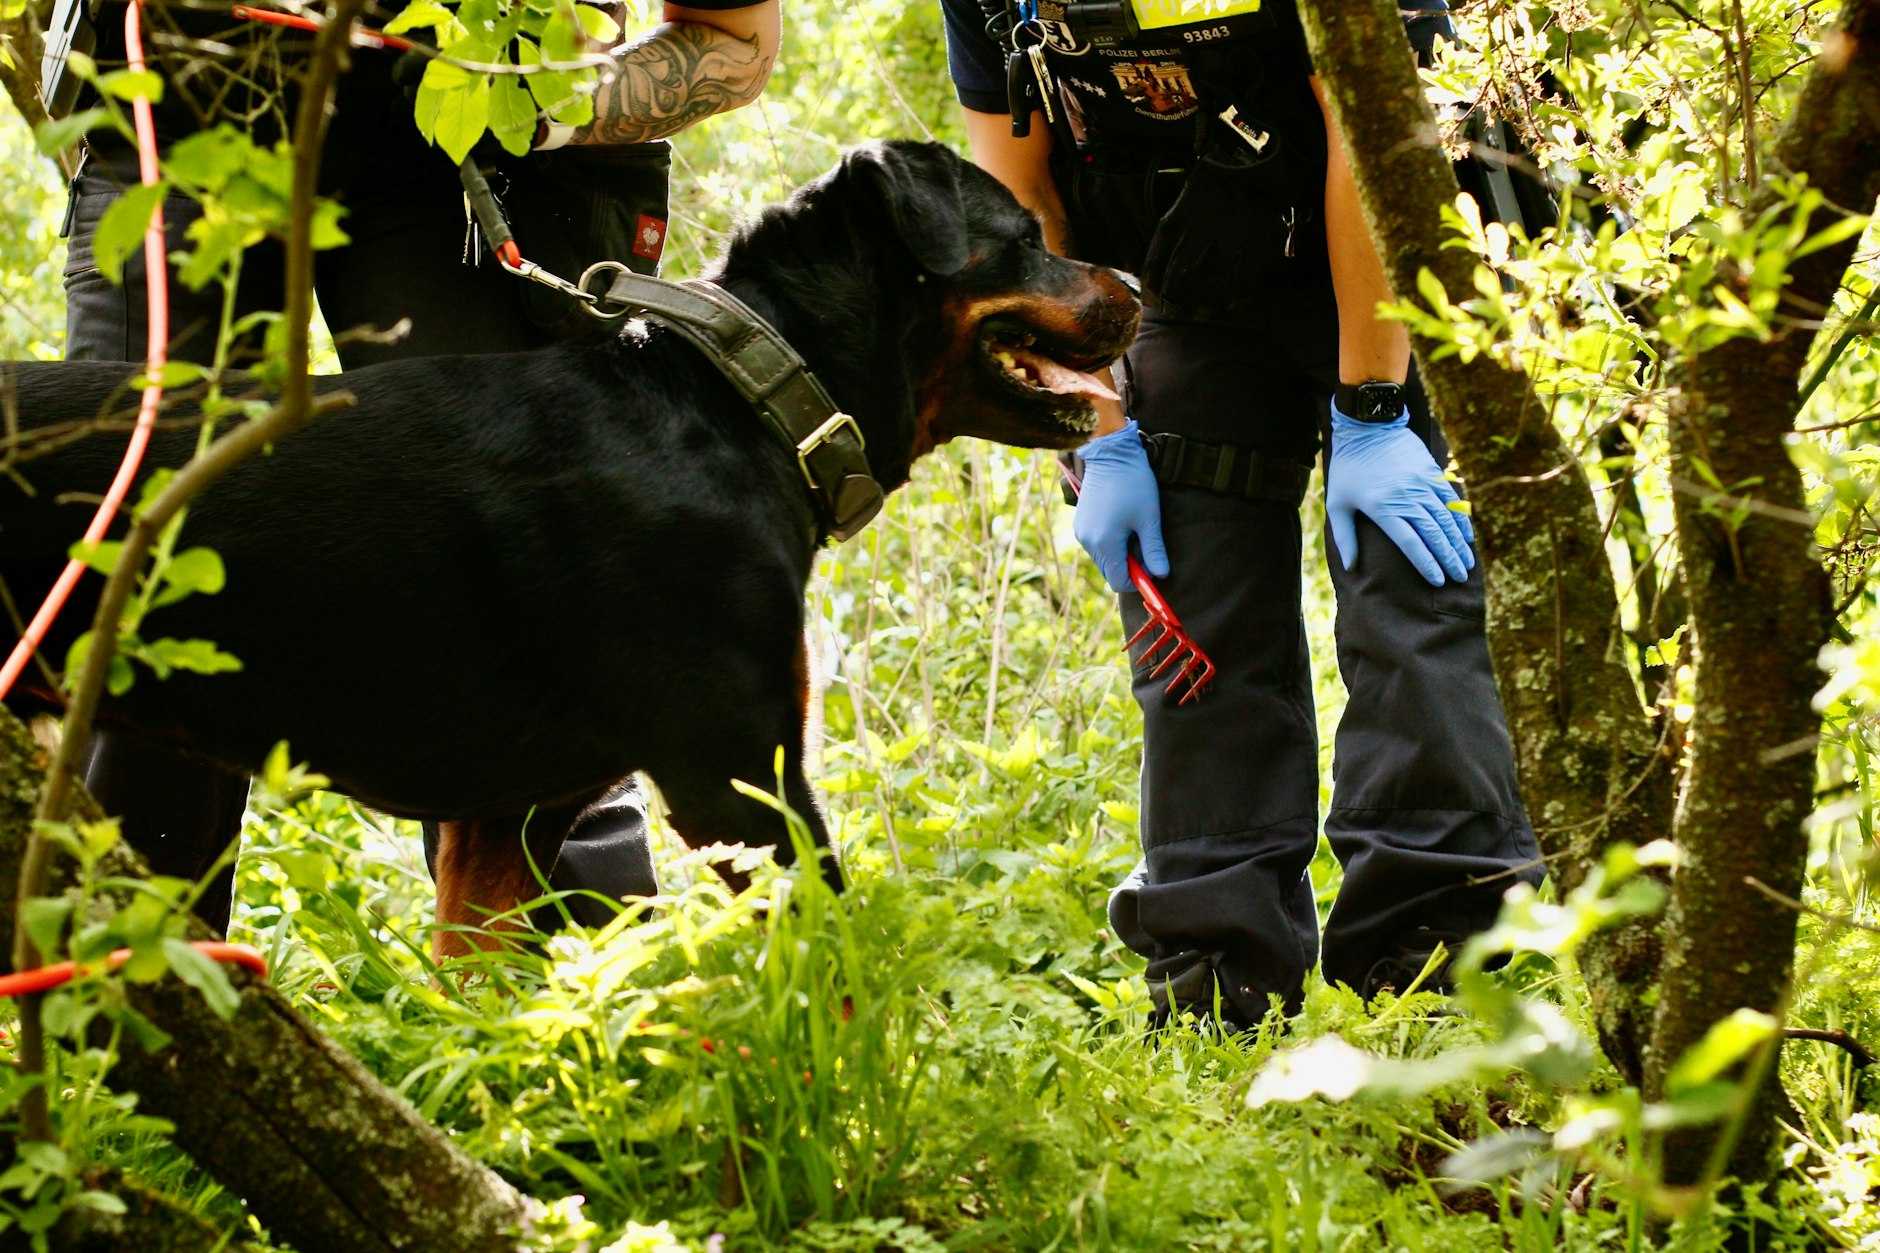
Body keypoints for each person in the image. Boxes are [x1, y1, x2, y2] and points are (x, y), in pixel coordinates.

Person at [57, 0, 779, 932]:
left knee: (529, 571)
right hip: (177, 96)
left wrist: (531, 102)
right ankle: (142, 1013)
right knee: (156, 555)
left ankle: (579, 1012)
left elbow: (734, 43)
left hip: (480, 142)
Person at [941, 0, 1544, 1026]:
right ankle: (1215, 984)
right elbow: (1018, 205)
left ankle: (1433, 982)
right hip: (1190, 267)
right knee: (1190, 619)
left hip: (1397, 234)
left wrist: (1371, 408)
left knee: (1411, 588)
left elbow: (1370, 130)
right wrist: (1095, 426)